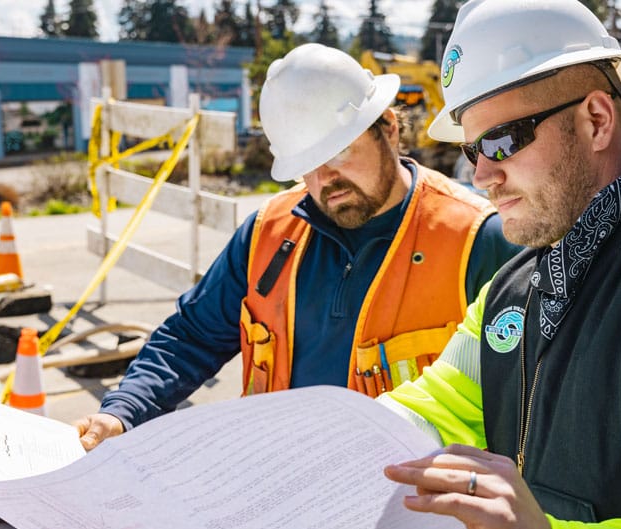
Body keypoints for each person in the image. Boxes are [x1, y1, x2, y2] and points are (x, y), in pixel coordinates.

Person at [380, 0, 621, 529]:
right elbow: (430, 412)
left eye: (501, 141)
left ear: (596, 119)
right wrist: (326, 441)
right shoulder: (511, 289)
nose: (482, 176)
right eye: (474, 150)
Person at [75, 43, 520, 450]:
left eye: (339, 152)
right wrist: (123, 411)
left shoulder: (480, 240)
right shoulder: (268, 233)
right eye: (307, 163)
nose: (325, 179)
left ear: (387, 127)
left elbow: (534, 404)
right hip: (280, 490)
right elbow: (190, 337)